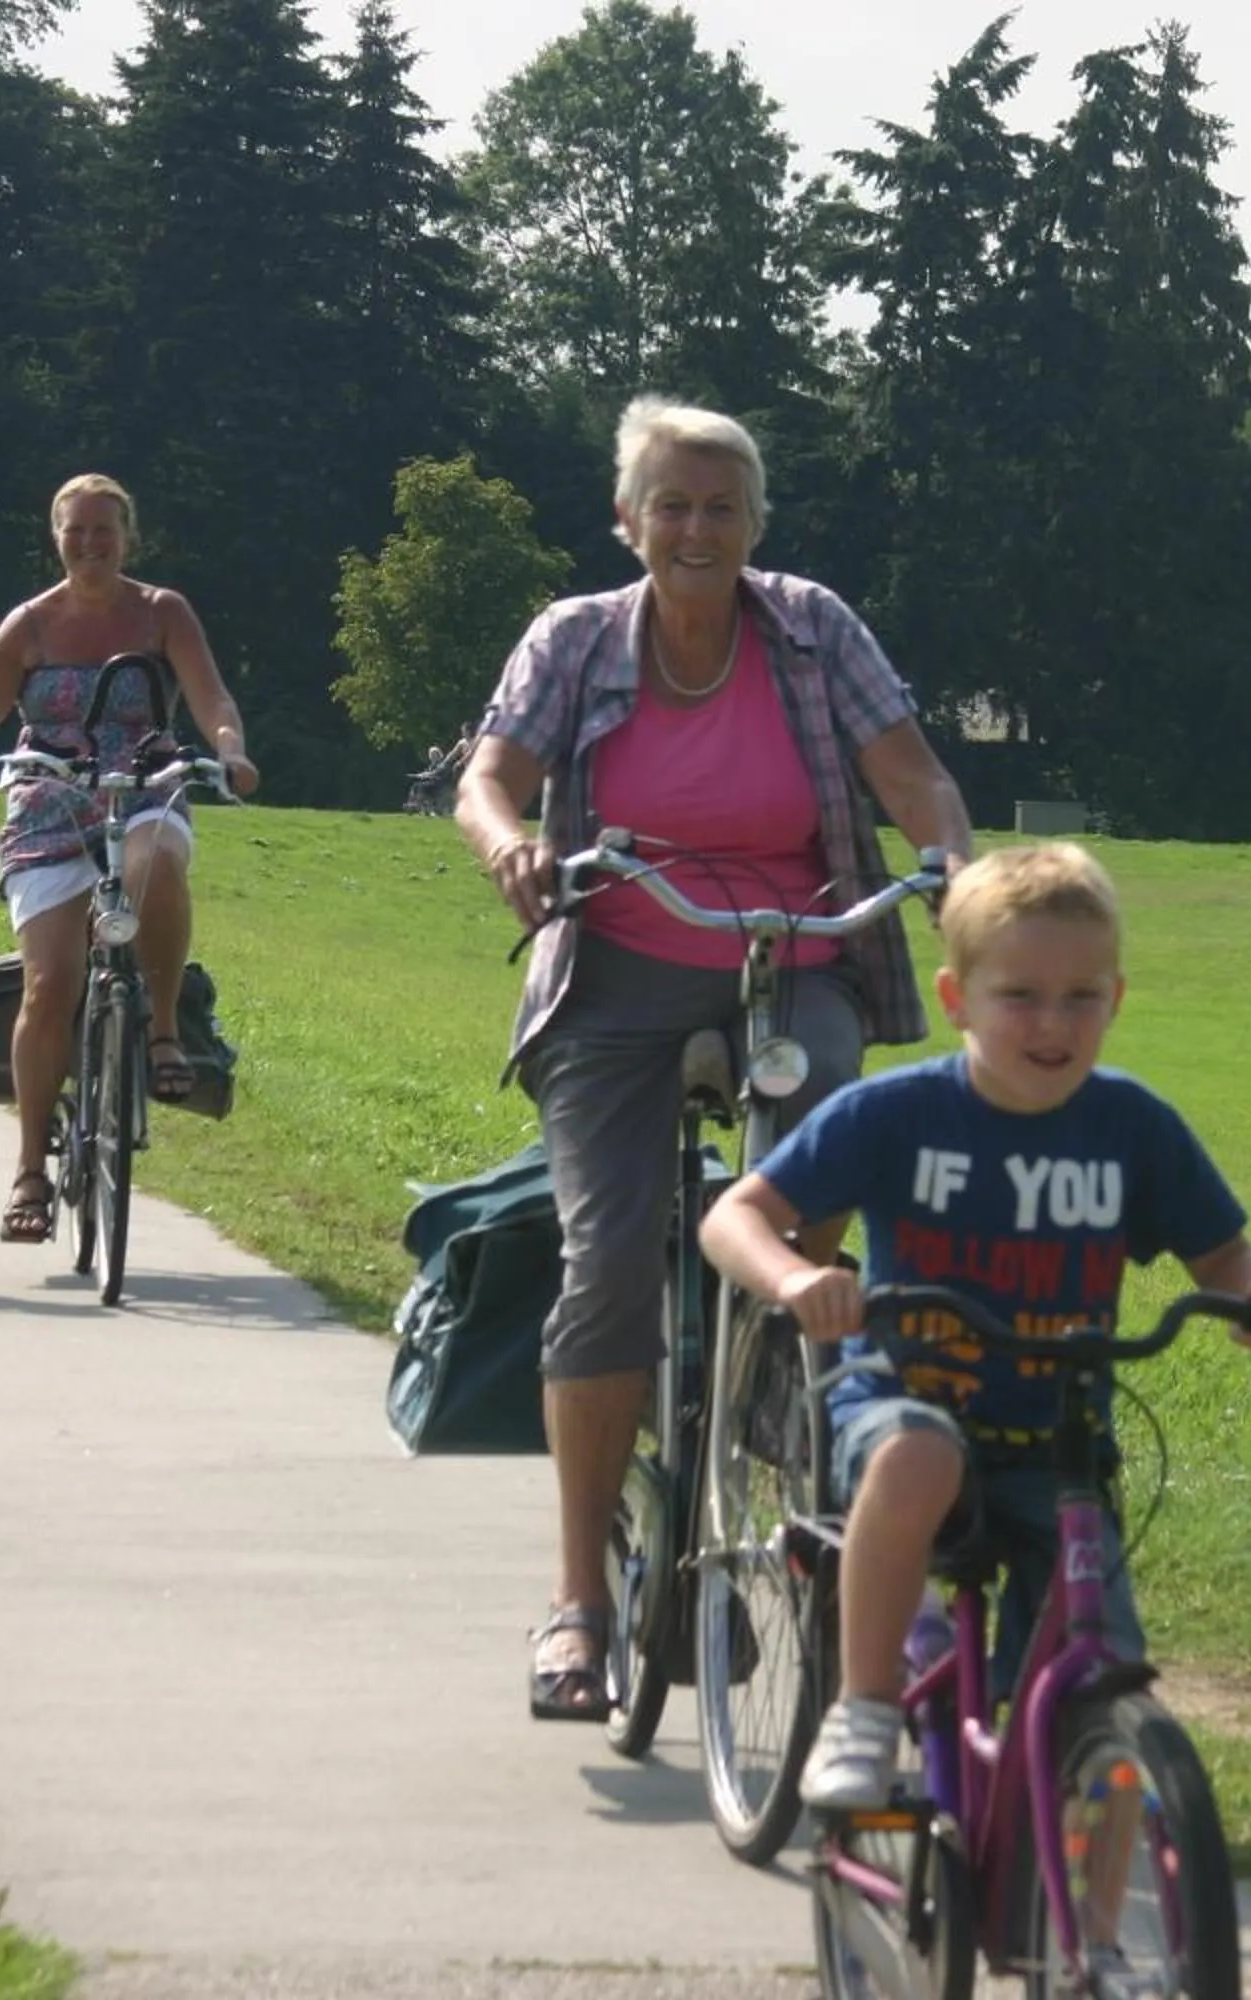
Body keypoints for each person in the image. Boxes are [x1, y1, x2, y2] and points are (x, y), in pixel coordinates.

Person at [456, 395, 977, 1721]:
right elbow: (490, 775)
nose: (697, 529)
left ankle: (777, 1413)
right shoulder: (574, 640)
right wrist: (512, 840)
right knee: (610, 1263)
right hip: (619, 963)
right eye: (671, 506)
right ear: (628, 522)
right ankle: (580, 1599)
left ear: (755, 523)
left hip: (798, 954)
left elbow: (912, 777)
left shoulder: (813, 628)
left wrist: (960, 872)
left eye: (721, 506)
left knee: (804, 1236)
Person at [697, 842, 1251, 1819]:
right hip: (901, 1407)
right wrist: (800, 1276)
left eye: (1081, 996)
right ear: (956, 997)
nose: (1052, 1022)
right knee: (920, 1458)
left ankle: (1101, 1955)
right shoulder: (898, 1113)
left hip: (1057, 1450)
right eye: (1020, 994)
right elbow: (731, 1215)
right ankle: (862, 1710)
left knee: (1101, 1699)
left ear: (1116, 998)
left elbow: (1223, 1258)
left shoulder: (1132, 1127)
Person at [0, 473, 259, 1244]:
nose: (91, 544)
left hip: (143, 784)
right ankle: (30, 1167)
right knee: (51, 982)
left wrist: (228, 749)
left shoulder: (162, 613)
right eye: (76, 531)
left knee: (155, 864)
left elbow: (211, 698)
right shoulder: (27, 626)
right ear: (55, 538)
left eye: (105, 530)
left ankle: (162, 1030)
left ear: (128, 538)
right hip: (49, 797)